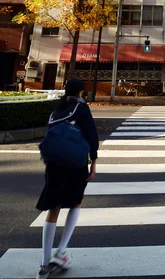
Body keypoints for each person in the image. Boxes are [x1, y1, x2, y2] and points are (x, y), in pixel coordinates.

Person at [35, 79, 99, 279]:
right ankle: (61, 252)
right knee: (76, 202)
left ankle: (45, 264)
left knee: (53, 208)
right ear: (81, 91)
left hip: (54, 163)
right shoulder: (81, 107)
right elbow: (91, 135)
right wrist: (94, 161)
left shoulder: (58, 108)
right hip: (74, 163)